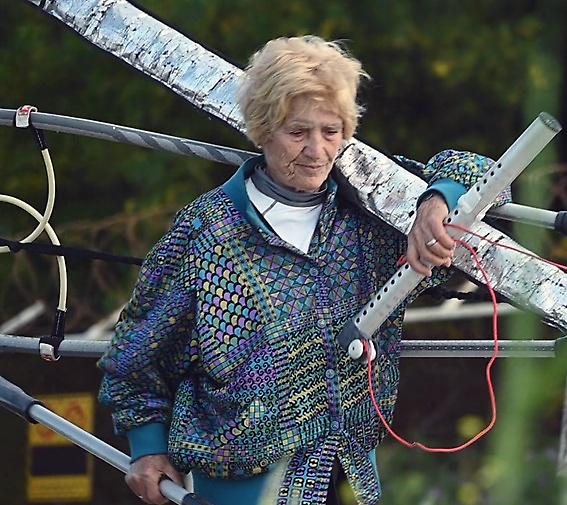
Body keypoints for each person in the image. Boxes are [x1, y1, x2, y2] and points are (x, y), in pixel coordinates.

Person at [98, 35, 506, 505]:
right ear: (263, 129)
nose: (316, 150)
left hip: (352, 479)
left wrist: (437, 201)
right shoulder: (206, 232)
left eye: (331, 132)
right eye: (298, 132)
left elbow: (485, 174)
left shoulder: (371, 214)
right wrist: (146, 449)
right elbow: (135, 357)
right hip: (241, 488)